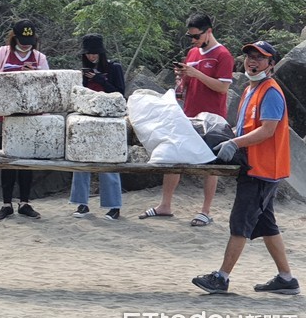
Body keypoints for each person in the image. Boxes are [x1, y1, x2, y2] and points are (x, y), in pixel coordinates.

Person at [192, 41, 300, 295]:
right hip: (257, 167)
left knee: (240, 222)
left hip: (262, 169)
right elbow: (247, 128)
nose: (252, 61)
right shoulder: (252, 89)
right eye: (250, 56)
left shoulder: (270, 92)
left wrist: (234, 142)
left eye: (260, 58)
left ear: (271, 64)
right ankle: (286, 279)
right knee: (266, 225)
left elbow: (267, 130)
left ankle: (222, 277)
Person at [138, 12, 234, 226]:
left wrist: (197, 74)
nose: (193, 41)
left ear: (209, 31)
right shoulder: (192, 53)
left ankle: (206, 210)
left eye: (196, 36)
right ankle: (165, 204)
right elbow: (188, 85)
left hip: (212, 119)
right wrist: (183, 77)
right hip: (189, 113)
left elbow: (223, 87)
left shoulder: (223, 55)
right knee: (174, 155)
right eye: (190, 36)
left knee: (211, 162)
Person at [0, 19, 49, 222]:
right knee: (7, 160)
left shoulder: (39, 57)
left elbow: (47, 84)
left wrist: (34, 76)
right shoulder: (2, 53)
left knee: (27, 161)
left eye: (30, 40)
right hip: (6, 117)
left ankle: (25, 202)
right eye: (23, 40)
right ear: (14, 37)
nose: (26, 44)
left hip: (31, 117)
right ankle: (6, 204)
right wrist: (8, 79)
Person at [69, 34, 125, 220]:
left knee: (109, 163)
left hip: (109, 121)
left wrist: (101, 80)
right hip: (86, 119)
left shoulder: (114, 68)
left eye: (95, 54)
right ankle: (81, 204)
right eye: (88, 54)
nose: (92, 57)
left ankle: (114, 206)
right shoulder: (82, 72)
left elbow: (120, 93)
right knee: (81, 161)